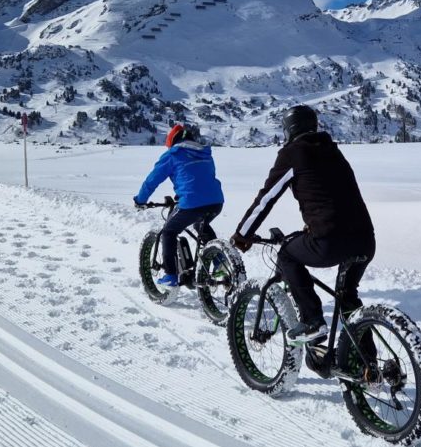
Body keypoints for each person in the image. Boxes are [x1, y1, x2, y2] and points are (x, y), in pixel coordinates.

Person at [231, 105, 376, 345]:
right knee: (348, 298)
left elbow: (267, 198)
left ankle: (312, 321)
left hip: (330, 240)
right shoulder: (333, 151)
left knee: (287, 255)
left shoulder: (292, 153)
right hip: (365, 239)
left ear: (289, 130)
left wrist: (243, 233)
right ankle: (366, 369)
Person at [134, 123, 224, 287]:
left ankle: (171, 275)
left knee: (168, 232)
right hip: (216, 202)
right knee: (200, 225)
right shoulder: (204, 153)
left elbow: (152, 181)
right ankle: (220, 262)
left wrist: (140, 200)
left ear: (172, 143)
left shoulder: (172, 155)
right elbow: (201, 178)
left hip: (191, 203)